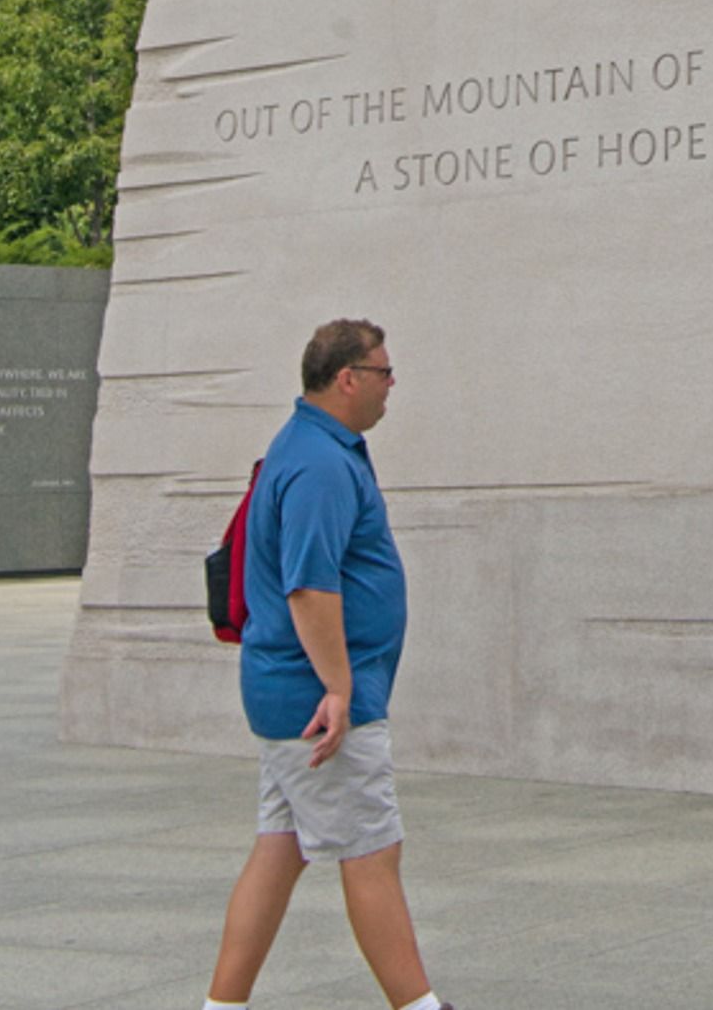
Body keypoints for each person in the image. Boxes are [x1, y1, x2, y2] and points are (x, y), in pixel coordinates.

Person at [204, 319, 456, 1010]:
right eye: (383, 372)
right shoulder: (318, 462)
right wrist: (340, 687)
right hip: (319, 700)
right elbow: (310, 586)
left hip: (290, 692)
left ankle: (221, 1007)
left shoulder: (314, 447)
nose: (391, 385)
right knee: (372, 855)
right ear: (348, 378)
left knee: (279, 850)